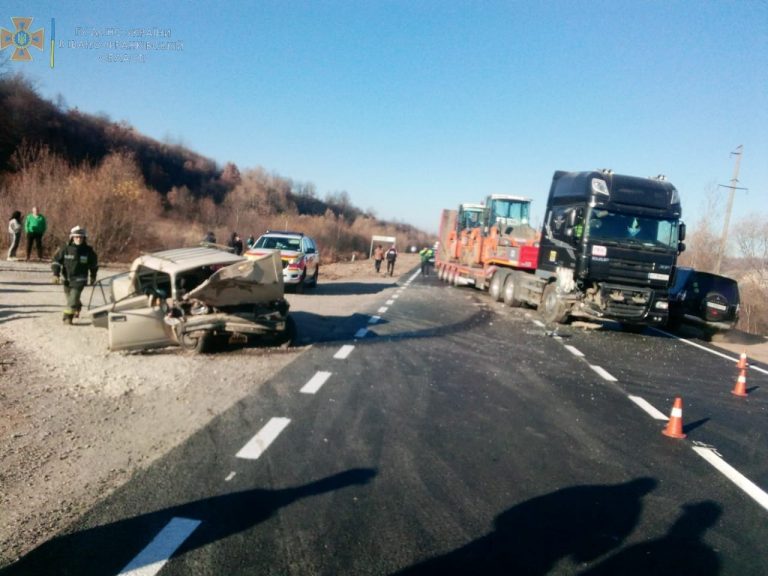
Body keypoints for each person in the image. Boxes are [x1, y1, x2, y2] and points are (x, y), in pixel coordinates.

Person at [51, 226, 99, 325]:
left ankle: (67, 317)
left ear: (84, 238)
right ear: (72, 237)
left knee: (72, 299)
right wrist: (56, 274)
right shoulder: (64, 249)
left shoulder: (88, 251)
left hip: (80, 279)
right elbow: (56, 262)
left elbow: (94, 265)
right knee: (70, 298)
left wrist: (93, 276)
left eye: (81, 237)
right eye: (76, 237)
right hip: (66, 279)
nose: (78, 239)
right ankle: (77, 306)